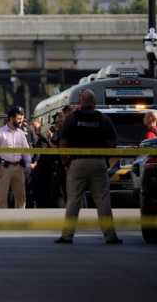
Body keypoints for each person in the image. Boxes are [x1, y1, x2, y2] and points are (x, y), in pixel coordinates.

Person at [54, 89, 123, 244]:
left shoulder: (72, 119)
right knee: (103, 200)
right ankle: (110, 235)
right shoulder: (103, 119)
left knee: (73, 200)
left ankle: (67, 235)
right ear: (94, 102)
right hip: (98, 163)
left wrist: (65, 163)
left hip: (77, 163)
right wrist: (104, 155)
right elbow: (114, 142)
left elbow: (62, 144)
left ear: (80, 102)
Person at [0, 107, 32, 209]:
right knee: (2, 198)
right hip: (4, 169)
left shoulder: (21, 133)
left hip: (19, 168)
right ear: (11, 119)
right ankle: (3, 222)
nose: (21, 121)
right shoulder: (0, 132)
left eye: (22, 118)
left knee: (21, 197)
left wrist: (28, 164)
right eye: (19, 119)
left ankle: (19, 222)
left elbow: (26, 150)